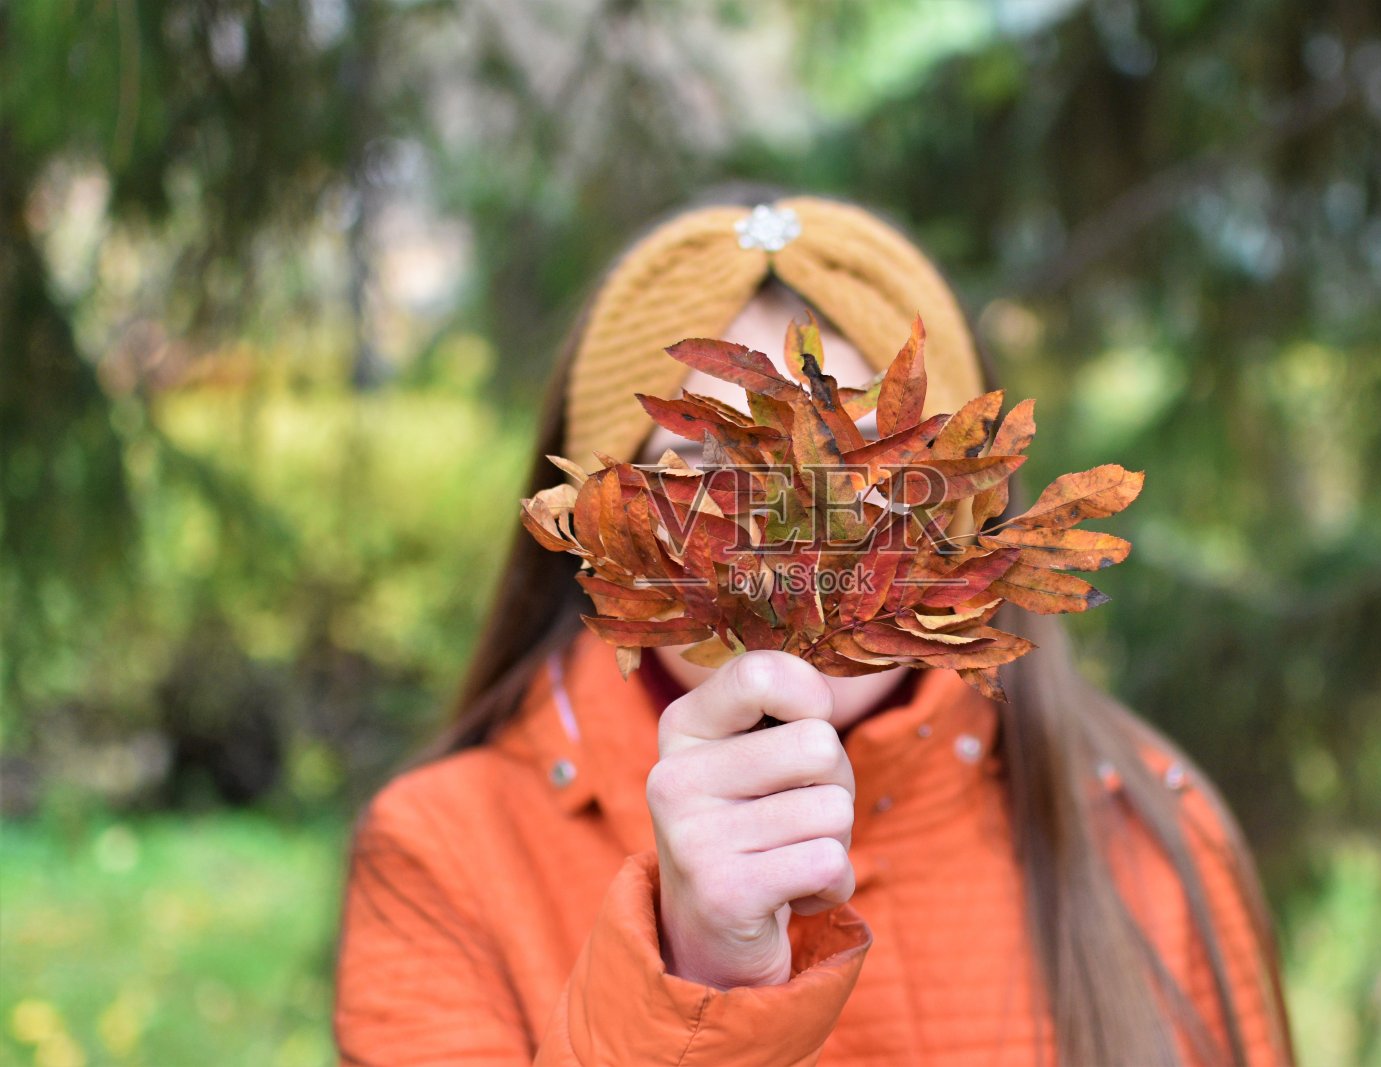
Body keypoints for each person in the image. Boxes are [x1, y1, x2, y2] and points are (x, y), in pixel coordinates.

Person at [334, 186, 1295, 1066]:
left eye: (867, 464)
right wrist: (697, 985)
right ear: (596, 531)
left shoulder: (1153, 833)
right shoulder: (445, 853)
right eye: (697, 472)